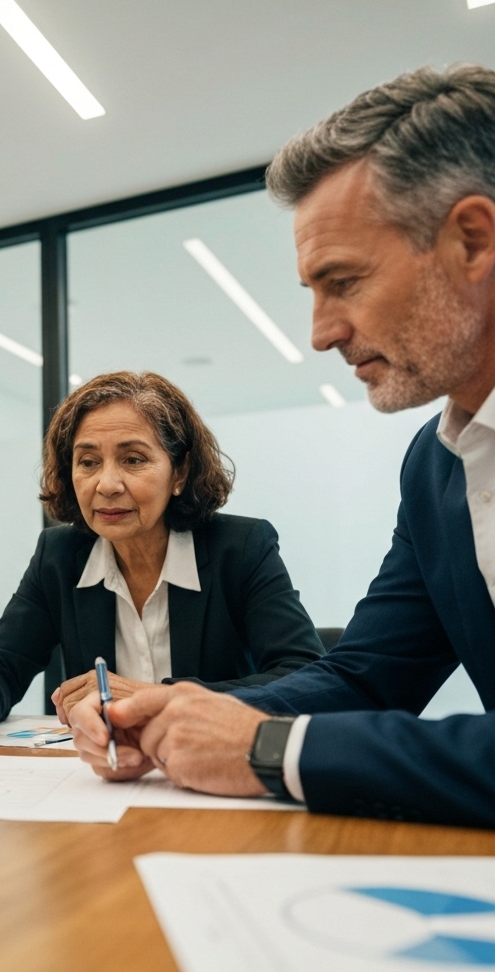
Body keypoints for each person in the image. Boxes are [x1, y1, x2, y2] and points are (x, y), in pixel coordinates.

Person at [71, 64, 495, 830]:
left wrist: (277, 749)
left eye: (344, 281)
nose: (322, 332)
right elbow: (369, 677)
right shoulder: (436, 466)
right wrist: (178, 714)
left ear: (473, 239)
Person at [0, 371, 324, 730]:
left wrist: (157, 698)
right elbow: (3, 662)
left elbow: (305, 679)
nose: (106, 484)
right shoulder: (59, 555)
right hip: (102, 777)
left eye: (133, 459)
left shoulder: (241, 549)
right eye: (88, 462)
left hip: (213, 766)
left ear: (180, 472)